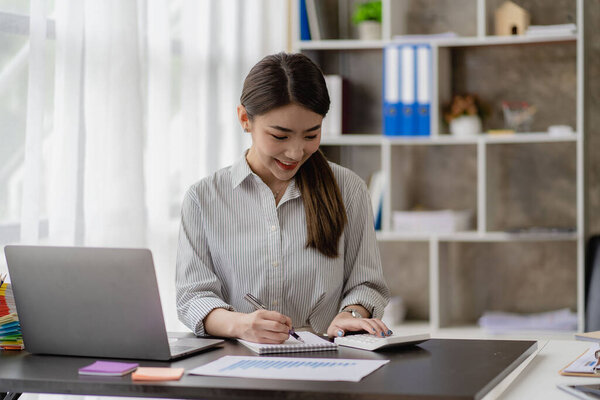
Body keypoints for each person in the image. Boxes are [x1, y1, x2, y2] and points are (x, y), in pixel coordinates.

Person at [176, 52, 390, 344]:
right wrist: (240, 324)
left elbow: (365, 284)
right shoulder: (204, 198)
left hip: (328, 363)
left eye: (311, 135)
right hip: (236, 364)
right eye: (280, 136)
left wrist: (351, 315)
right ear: (244, 119)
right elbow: (193, 297)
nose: (296, 152)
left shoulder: (348, 189)